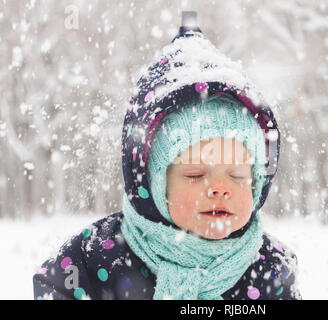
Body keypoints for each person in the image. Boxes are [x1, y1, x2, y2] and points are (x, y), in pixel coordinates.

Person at [33, 12, 302, 300]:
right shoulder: (98, 257)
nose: (220, 188)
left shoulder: (270, 268)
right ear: (154, 184)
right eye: (195, 175)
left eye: (237, 175)